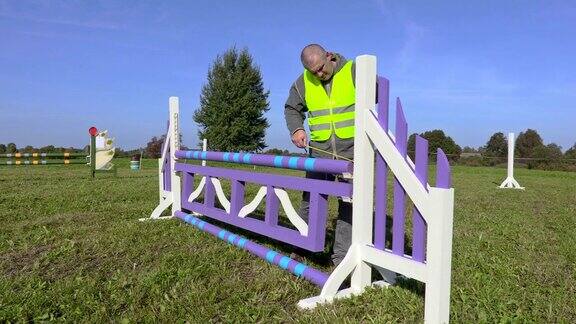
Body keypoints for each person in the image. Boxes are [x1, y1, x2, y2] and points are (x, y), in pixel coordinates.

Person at [284, 44, 356, 266]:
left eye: (321, 69)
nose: (319, 74)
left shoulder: (355, 70)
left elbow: (378, 92)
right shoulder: (302, 82)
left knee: (349, 203)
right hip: (319, 152)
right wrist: (296, 129)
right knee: (311, 200)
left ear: (329, 56)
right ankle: (304, 247)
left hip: (353, 151)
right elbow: (291, 108)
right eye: (313, 71)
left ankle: (341, 257)